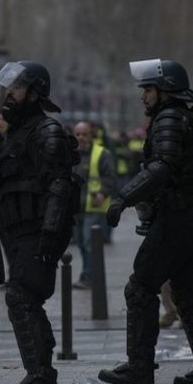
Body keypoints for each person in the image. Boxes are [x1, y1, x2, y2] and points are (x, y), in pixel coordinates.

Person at [98, 59, 193, 384]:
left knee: (141, 286)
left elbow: (163, 167)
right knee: (187, 291)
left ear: (165, 90)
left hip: (179, 218)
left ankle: (139, 367)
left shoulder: (169, 117)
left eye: (148, 89)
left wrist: (122, 198)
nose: (143, 96)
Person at [0, 61, 80, 384]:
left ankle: (41, 376)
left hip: (36, 231)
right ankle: (40, 373)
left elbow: (59, 186)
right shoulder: (14, 134)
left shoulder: (46, 131)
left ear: (34, 94)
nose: (9, 94)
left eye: (16, 88)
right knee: (25, 298)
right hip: (16, 230)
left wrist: (50, 233)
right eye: (8, 88)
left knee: (21, 295)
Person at [72, 121, 117, 289]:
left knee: (89, 242)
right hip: (76, 207)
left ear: (91, 135)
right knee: (81, 243)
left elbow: (110, 177)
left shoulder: (101, 153)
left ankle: (90, 277)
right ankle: (87, 275)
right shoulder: (71, 155)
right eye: (78, 134)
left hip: (94, 206)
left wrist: (102, 192)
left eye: (84, 134)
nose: (81, 138)